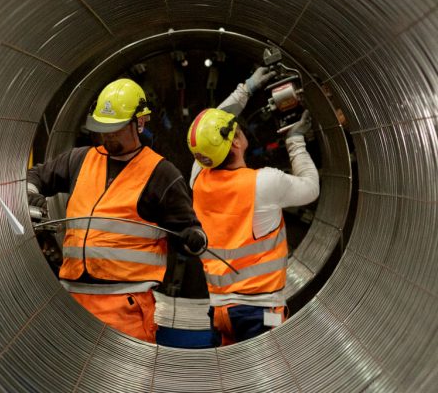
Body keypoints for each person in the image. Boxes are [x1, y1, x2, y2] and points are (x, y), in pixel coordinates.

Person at [27, 78, 207, 343]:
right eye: (103, 128)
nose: (107, 135)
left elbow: (192, 236)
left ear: (140, 122)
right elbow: (35, 176)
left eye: (115, 128)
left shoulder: (161, 173)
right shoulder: (80, 159)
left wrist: (192, 239)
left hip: (126, 308)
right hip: (72, 302)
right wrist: (32, 198)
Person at [187, 67, 319, 345]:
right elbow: (311, 188)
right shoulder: (264, 183)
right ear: (235, 141)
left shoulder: (198, 177)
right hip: (261, 312)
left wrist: (246, 88)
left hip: (220, 310)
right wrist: (296, 141)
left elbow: (209, 130)